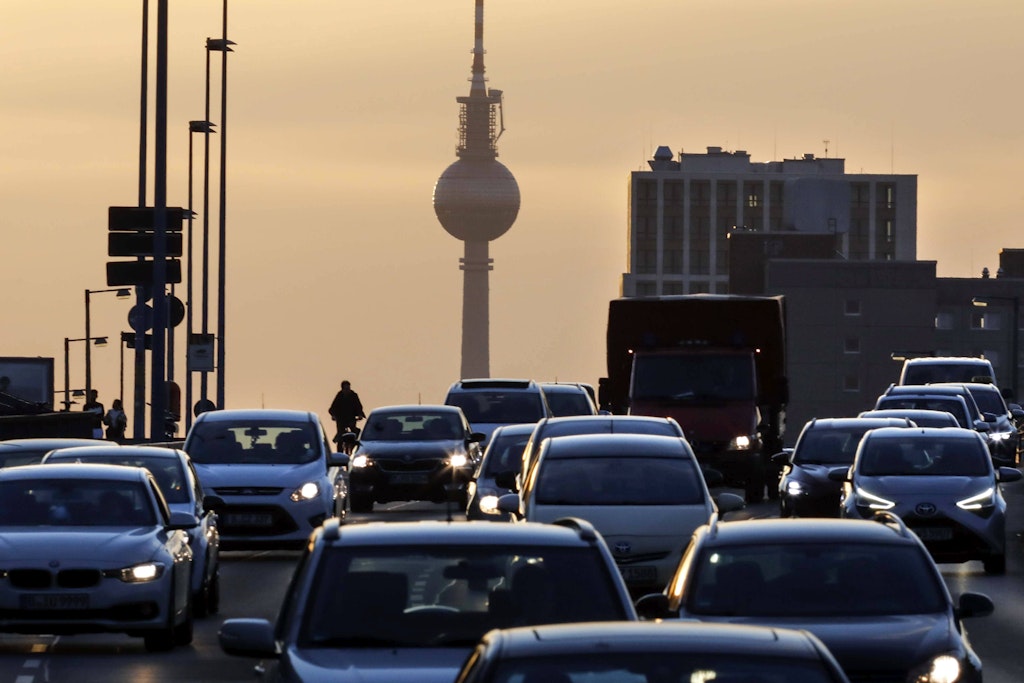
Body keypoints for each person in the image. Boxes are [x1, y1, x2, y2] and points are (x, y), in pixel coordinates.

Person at [329, 380, 365, 444]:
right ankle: (339, 451)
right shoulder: (339, 396)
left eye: (348, 388)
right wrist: (333, 415)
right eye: (345, 389)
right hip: (341, 418)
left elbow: (358, 406)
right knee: (340, 435)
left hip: (351, 418)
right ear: (342, 389)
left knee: (354, 433)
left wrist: (360, 414)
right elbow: (333, 407)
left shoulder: (354, 395)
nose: (347, 390)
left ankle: (354, 447)